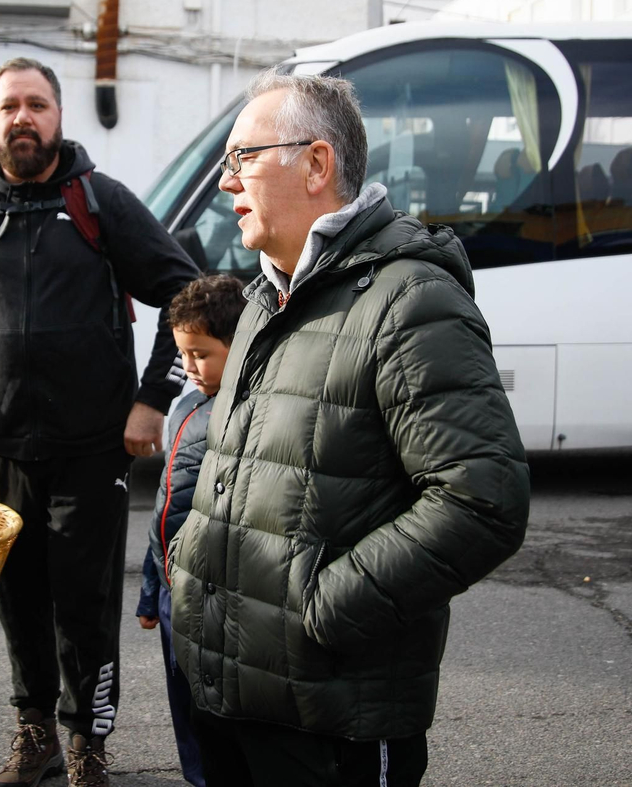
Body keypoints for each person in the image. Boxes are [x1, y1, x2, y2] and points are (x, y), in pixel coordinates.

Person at [168, 70, 530, 787]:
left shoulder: (410, 298)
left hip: (334, 720)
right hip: (234, 694)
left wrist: (317, 609)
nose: (224, 183)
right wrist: (190, 566)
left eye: (241, 158)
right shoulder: (266, 296)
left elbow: (481, 500)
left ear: (316, 164)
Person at [0, 58, 199, 787]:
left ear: (58, 117)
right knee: (20, 600)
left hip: (92, 449)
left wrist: (152, 399)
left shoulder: (99, 201)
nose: (23, 118)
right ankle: (34, 733)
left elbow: (185, 292)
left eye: (37, 104)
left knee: (84, 601)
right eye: (9, 105)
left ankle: (87, 741)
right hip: (0, 447)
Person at [135, 273, 246, 787]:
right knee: (185, 708)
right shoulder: (185, 403)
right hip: (172, 595)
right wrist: (149, 589)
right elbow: (165, 506)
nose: (189, 367)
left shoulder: (243, 413)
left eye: (201, 354)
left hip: (217, 601)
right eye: (183, 353)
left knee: (219, 714)